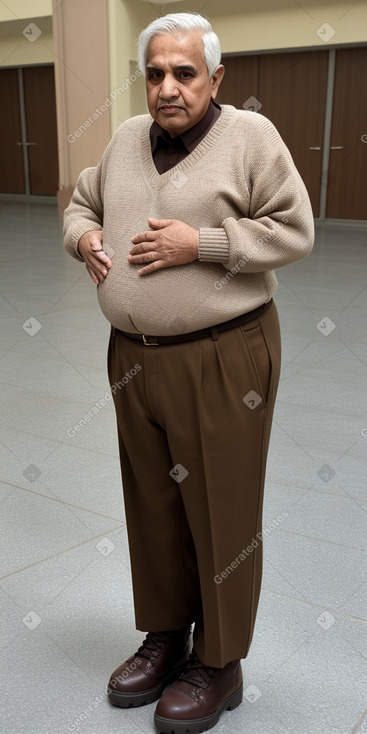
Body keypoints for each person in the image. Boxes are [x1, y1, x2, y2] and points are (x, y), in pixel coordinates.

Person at [63, 11, 314, 734]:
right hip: (133, 359)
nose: (167, 87)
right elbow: (80, 201)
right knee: (153, 506)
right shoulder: (122, 142)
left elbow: (293, 227)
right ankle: (167, 635)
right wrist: (84, 238)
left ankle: (221, 660)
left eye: (184, 73)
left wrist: (199, 244)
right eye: (154, 73)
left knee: (220, 509)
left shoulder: (250, 139)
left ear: (215, 77)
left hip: (222, 353)